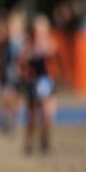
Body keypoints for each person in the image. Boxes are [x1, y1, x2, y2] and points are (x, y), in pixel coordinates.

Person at [20, 14, 59, 155]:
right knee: (32, 115)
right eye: (36, 31)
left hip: (48, 83)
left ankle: (45, 139)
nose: (39, 34)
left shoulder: (52, 45)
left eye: (42, 31)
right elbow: (23, 66)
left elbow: (57, 66)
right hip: (34, 83)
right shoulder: (28, 47)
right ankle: (29, 140)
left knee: (47, 114)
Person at [0, 9, 26, 133]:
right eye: (11, 25)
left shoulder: (23, 41)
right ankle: (5, 119)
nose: (13, 28)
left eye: (16, 26)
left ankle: (11, 121)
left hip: (19, 75)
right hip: (7, 74)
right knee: (6, 97)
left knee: (15, 99)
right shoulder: (6, 41)